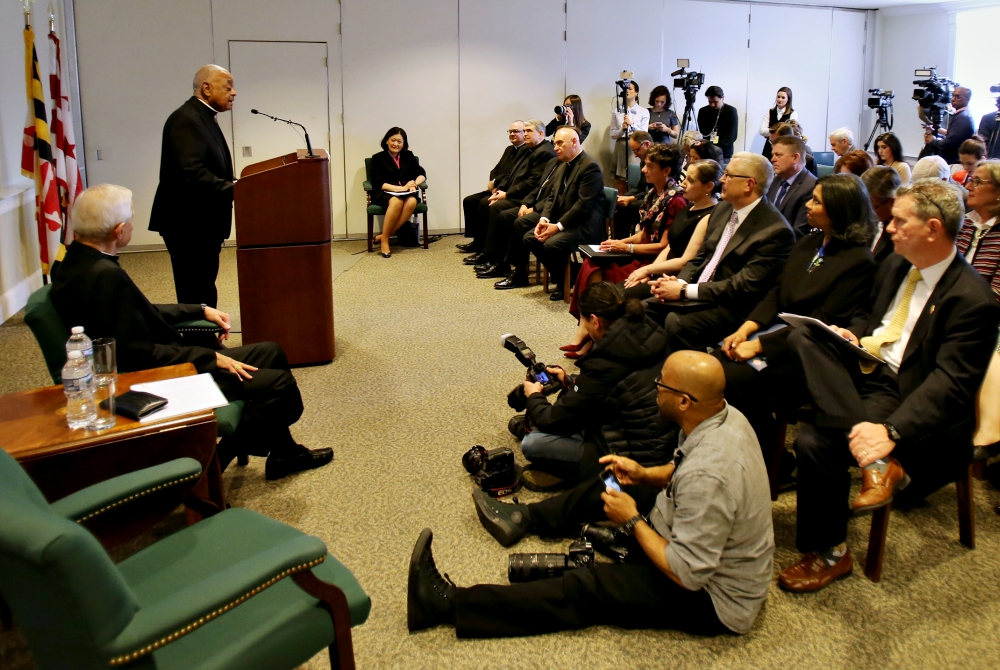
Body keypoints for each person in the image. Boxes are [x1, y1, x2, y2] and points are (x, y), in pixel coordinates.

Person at [407, 351, 774, 638]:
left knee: (588, 586)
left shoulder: (711, 475)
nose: (656, 387)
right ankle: (525, 518)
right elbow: (681, 469)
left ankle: (448, 605)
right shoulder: (721, 416)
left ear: (684, 402)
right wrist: (644, 474)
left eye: (663, 385)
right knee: (616, 480)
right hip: (688, 532)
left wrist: (630, 519)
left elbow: (688, 573)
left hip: (713, 597)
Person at [777, 179, 1000, 592]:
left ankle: (831, 553)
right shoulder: (898, 262)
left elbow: (950, 385)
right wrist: (853, 334)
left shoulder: (973, 300)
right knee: (802, 334)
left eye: (899, 221)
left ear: (932, 229)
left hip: (909, 395)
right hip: (867, 366)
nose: (888, 227)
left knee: (813, 442)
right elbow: (869, 313)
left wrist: (891, 431)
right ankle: (876, 465)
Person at [51, 185, 333, 481]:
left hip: (152, 362)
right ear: (120, 230)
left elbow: (140, 311)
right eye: (132, 219)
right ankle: (212, 466)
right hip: (152, 378)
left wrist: (199, 310)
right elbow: (139, 355)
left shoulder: (75, 262)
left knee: (271, 351)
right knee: (279, 387)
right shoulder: (105, 276)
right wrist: (210, 358)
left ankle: (285, 452)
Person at [714, 174, 877, 460]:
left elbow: (821, 324)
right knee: (713, 366)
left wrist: (758, 346)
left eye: (817, 201)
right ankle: (737, 452)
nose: (808, 206)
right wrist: (745, 329)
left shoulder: (858, 260)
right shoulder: (807, 243)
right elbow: (777, 291)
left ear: (839, 210)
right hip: (775, 333)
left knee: (733, 378)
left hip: (806, 354)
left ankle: (771, 459)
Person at [516, 283, 672, 484]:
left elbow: (553, 421)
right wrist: (571, 381)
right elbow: (604, 389)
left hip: (630, 452)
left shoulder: (605, 362)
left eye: (583, 320)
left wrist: (534, 396)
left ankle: (586, 475)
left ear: (595, 321)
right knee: (562, 414)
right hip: (657, 435)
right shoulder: (649, 330)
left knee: (533, 443)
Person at [645, 152, 795, 353]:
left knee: (677, 322)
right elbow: (702, 255)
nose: (721, 179)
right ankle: (650, 374)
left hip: (733, 306)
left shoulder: (776, 232)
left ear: (749, 184)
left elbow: (741, 286)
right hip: (700, 292)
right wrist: (679, 282)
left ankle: (688, 378)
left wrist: (683, 291)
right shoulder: (723, 209)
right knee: (643, 308)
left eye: (729, 175)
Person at [565, 145, 687, 349]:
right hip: (641, 252)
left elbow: (663, 246)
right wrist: (620, 242)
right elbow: (644, 234)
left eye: (649, 166)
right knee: (591, 261)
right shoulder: (653, 194)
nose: (643, 170)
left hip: (655, 260)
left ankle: (595, 331)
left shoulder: (676, 200)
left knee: (599, 268)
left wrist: (627, 249)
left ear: (666, 171)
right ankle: (590, 327)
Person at [149, 64, 237, 309]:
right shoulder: (187, 120)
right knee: (195, 290)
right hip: (188, 223)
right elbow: (191, 173)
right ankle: (198, 343)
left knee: (204, 286)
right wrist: (235, 189)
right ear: (206, 88)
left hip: (201, 223)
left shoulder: (202, 115)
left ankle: (205, 341)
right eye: (228, 87)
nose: (234, 93)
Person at [500, 127, 605, 300]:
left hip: (585, 225)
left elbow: (583, 206)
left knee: (551, 244)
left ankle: (566, 278)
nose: (555, 147)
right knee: (529, 238)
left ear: (574, 142)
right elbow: (552, 197)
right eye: (554, 143)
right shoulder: (563, 165)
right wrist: (544, 219)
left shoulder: (589, 167)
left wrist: (557, 226)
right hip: (564, 219)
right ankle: (568, 275)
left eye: (559, 143)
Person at [621, 160, 721, 299]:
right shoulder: (689, 207)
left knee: (618, 298)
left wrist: (647, 269)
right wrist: (650, 273)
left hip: (675, 279)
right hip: (662, 269)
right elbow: (669, 246)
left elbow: (685, 261)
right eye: (685, 177)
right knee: (614, 292)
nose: (683, 183)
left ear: (709, 186)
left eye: (690, 180)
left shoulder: (709, 216)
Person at [474, 120, 557, 278]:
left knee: (500, 209)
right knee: (488, 203)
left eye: (528, 131)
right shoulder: (528, 149)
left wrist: (511, 196)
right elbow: (512, 174)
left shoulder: (545, 152)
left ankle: (501, 262)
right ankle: (491, 256)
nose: (524, 134)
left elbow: (534, 184)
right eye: (524, 131)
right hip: (525, 197)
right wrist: (501, 189)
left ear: (541, 134)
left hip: (530, 200)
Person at [457, 121, 525, 255]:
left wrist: (497, 184)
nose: (512, 134)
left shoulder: (526, 152)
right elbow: (496, 169)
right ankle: (477, 241)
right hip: (497, 188)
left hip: (508, 190)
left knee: (485, 203)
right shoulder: (509, 149)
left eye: (516, 131)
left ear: (525, 132)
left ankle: (485, 248)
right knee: (469, 201)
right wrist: (493, 181)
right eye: (510, 131)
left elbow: (511, 174)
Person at [369, 127, 426, 258]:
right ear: (387, 141)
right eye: (393, 140)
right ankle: (384, 241)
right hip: (385, 192)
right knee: (396, 202)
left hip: (405, 193)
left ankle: (384, 235)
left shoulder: (408, 155)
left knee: (412, 201)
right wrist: (401, 188)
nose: (396, 144)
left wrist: (414, 184)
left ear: (404, 143)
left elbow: (422, 174)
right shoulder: (378, 158)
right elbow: (378, 183)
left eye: (399, 141)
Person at [956, 160, 1000, 296]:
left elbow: (996, 296)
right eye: (970, 180)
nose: (968, 186)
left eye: (977, 181)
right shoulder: (963, 223)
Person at [767, 135, 818, 238]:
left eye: (778, 155)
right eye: (773, 155)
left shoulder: (811, 187)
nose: (773, 159)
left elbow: (799, 232)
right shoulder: (775, 180)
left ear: (795, 158)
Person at [612, 131, 654, 239]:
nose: (635, 155)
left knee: (625, 211)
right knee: (618, 205)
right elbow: (640, 187)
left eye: (637, 150)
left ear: (647, 144)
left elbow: (653, 190)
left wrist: (631, 199)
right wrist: (623, 197)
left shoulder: (659, 162)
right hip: (647, 196)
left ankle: (621, 244)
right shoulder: (643, 162)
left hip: (656, 199)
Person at [611, 81, 650, 193]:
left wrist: (632, 125)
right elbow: (613, 134)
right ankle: (621, 204)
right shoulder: (616, 111)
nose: (627, 91)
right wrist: (622, 129)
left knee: (636, 177)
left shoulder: (644, 111)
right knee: (620, 180)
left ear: (636, 92)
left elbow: (645, 134)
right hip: (621, 145)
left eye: (630, 88)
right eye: (626, 89)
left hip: (637, 146)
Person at [861, 166, 901, 269]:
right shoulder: (873, 220)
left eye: (871, 207)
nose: (865, 212)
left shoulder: (903, 235)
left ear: (892, 202)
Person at [922, 86, 975, 165]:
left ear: (967, 99)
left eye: (958, 97)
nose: (953, 99)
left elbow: (949, 143)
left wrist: (933, 141)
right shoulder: (962, 114)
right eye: (952, 95)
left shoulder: (962, 117)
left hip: (954, 162)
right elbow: (954, 135)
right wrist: (937, 129)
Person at [697, 86, 739, 162]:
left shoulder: (731, 111)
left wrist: (716, 148)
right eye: (710, 102)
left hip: (724, 153)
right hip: (707, 152)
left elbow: (732, 136)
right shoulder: (703, 111)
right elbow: (703, 132)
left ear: (722, 98)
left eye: (715, 102)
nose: (712, 105)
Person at [759, 87, 797, 160]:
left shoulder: (793, 113)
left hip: (784, 147)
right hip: (769, 147)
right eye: (778, 97)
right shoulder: (769, 112)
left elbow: (791, 132)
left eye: (783, 97)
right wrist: (780, 132)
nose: (780, 99)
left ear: (788, 99)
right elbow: (762, 131)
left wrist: (771, 132)